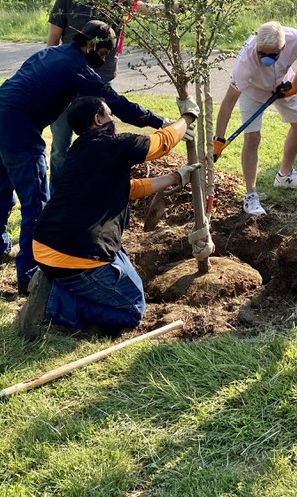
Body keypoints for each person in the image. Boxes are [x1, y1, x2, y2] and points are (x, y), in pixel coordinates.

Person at [0, 20, 168, 296]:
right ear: (91, 44)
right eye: (103, 54)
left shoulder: (50, 53)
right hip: (19, 130)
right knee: (35, 203)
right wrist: (158, 121)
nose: (102, 61)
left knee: (0, 190)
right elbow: (113, 102)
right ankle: (28, 277)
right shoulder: (76, 66)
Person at [17, 94, 200, 339]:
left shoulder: (79, 150)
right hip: (74, 255)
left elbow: (127, 188)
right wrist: (188, 117)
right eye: (109, 113)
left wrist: (174, 178)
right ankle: (54, 301)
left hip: (47, 245)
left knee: (123, 266)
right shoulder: (115, 145)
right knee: (133, 309)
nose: (112, 118)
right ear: (97, 118)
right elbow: (161, 144)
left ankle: (56, 282)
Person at [47, 0, 170, 191]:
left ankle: (93, 192)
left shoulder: (119, 0)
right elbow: (52, 43)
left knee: (102, 143)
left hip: (100, 85)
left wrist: (176, 7)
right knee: (61, 147)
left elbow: (146, 9)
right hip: (66, 86)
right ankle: (57, 198)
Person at [214, 21, 297, 216]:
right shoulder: (246, 61)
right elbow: (228, 102)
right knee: (252, 138)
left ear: (283, 47)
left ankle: (285, 176)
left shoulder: (295, 39)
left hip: (283, 84)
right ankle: (251, 196)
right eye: (262, 54)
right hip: (252, 90)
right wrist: (218, 139)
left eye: (273, 55)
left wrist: (295, 87)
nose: (266, 59)